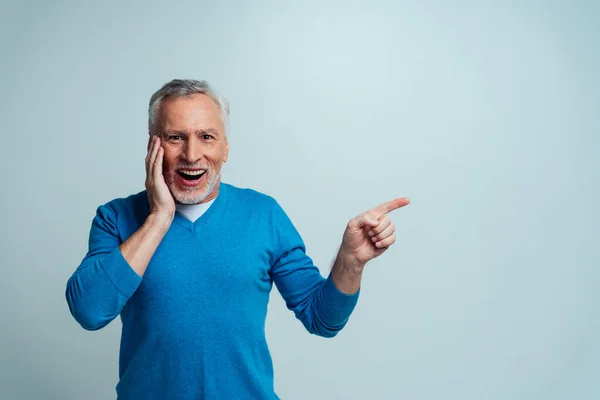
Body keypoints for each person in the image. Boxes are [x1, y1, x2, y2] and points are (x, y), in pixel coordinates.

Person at [65, 79, 410, 399]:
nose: (191, 154)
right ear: (152, 145)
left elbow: (322, 319)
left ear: (225, 148)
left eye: (206, 137)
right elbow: (89, 311)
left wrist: (351, 261)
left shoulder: (263, 215)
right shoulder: (116, 218)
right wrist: (158, 219)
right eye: (175, 137)